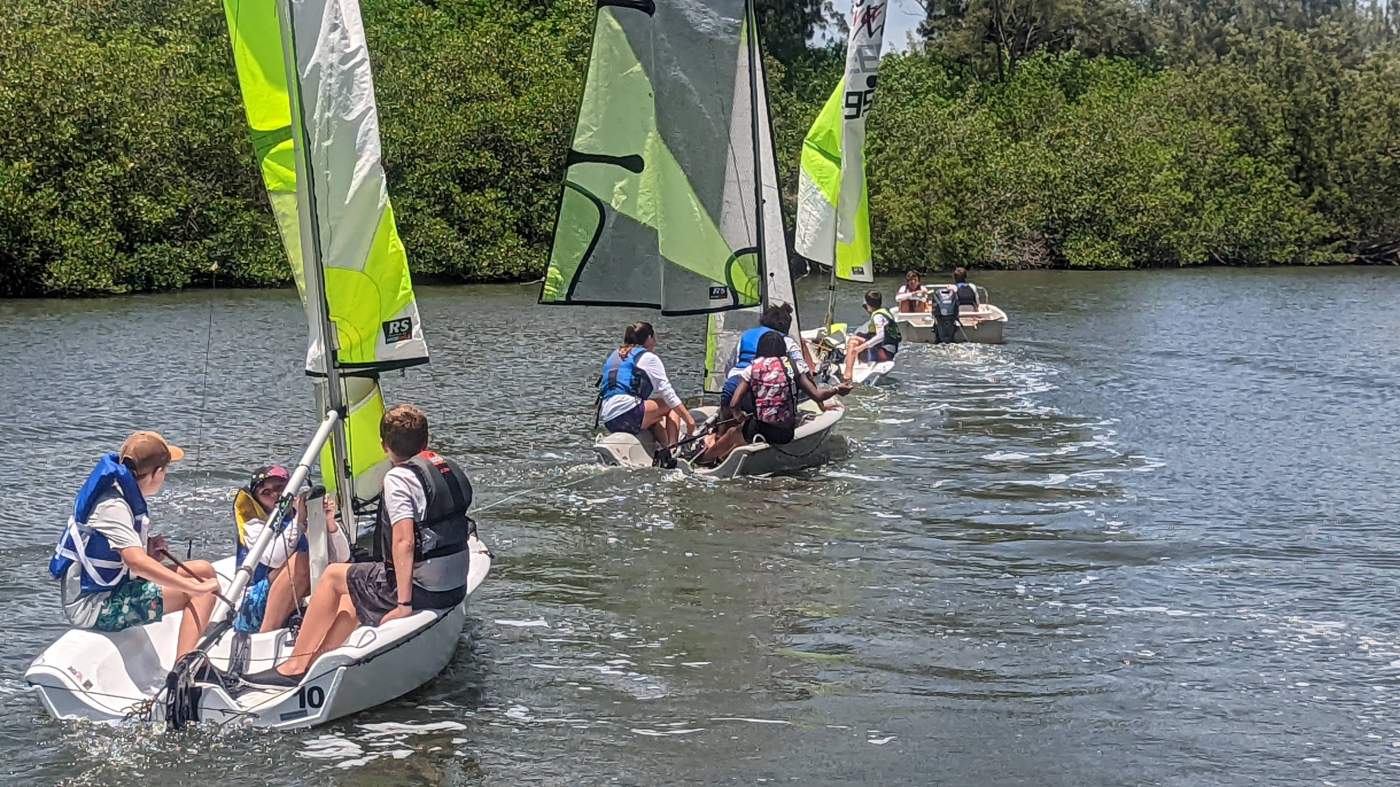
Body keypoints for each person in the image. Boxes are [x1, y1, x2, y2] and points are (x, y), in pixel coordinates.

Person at [243, 405, 473, 687]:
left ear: (383, 445)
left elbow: (404, 541)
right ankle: (320, 664)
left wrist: (403, 605)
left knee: (332, 576)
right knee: (355, 588)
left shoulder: (399, 478)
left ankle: (295, 664)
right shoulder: (445, 466)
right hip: (454, 584)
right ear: (425, 442)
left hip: (423, 591)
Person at [49, 431, 221, 662]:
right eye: (165, 470)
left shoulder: (119, 494)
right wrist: (193, 589)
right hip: (95, 606)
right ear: (156, 473)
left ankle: (192, 643)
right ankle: (185, 669)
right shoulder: (113, 507)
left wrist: (148, 550)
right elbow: (136, 563)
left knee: (203, 569)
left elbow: (123, 556)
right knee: (203, 590)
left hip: (112, 588)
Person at [230, 465, 350, 635]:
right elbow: (275, 558)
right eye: (266, 493)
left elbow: (342, 557)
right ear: (257, 498)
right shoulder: (253, 525)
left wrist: (329, 522)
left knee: (334, 571)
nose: (274, 495)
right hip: (252, 604)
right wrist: (299, 520)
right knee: (300, 561)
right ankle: (267, 632)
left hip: (297, 595)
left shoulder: (297, 514)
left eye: (279, 489)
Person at [700, 332, 844, 464]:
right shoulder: (793, 368)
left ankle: (705, 460)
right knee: (743, 432)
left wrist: (738, 415)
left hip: (761, 429)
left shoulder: (752, 368)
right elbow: (817, 395)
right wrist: (837, 389)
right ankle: (727, 456)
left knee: (734, 432)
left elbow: (734, 403)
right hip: (786, 433)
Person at [597, 322, 697, 467]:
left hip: (608, 418)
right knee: (669, 407)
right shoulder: (649, 358)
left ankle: (663, 446)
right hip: (627, 414)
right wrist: (689, 421)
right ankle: (673, 451)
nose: (655, 341)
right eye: (654, 337)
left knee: (654, 418)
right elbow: (668, 394)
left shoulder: (616, 354)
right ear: (649, 338)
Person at [843, 290, 902, 381]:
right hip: (890, 350)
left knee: (853, 342)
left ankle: (847, 376)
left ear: (868, 304)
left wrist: (861, 348)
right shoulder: (885, 311)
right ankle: (849, 364)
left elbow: (881, 336)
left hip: (885, 353)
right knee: (854, 338)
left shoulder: (877, 317)